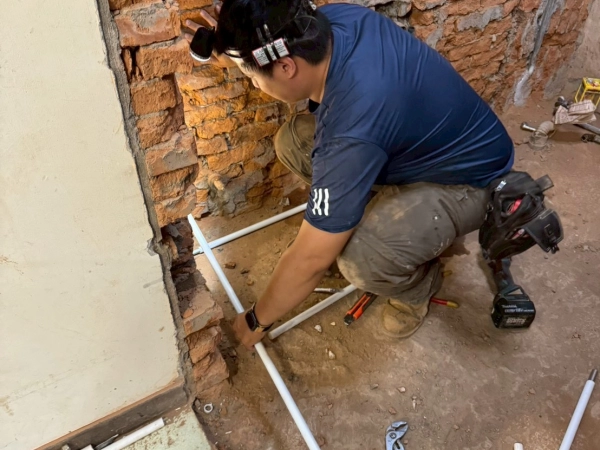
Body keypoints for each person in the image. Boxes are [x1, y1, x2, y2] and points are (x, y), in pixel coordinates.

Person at [184, 0, 514, 349]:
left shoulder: (350, 132)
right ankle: (364, 218)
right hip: (418, 145)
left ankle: (418, 287)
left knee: (361, 259)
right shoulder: (331, 19)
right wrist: (239, 49)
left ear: (285, 66)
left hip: (470, 181)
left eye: (252, 76)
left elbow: (310, 260)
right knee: (294, 140)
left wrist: (256, 320)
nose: (253, 84)